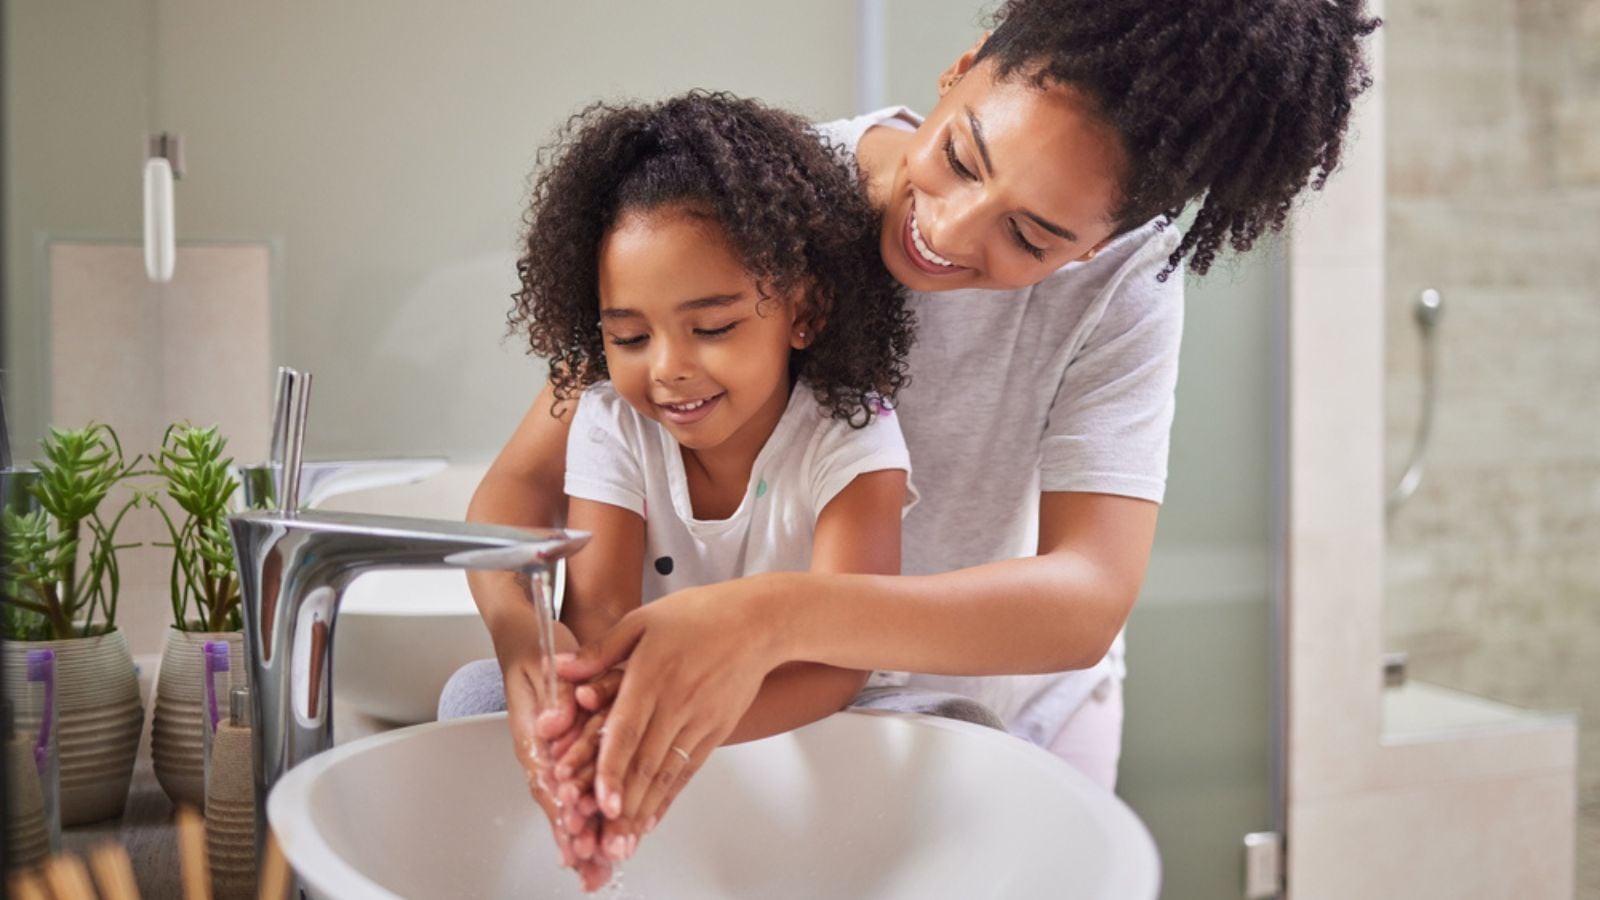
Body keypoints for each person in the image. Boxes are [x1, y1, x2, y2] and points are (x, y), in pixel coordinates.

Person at [459, 0, 1380, 882]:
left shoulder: (1121, 290)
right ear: (963, 67)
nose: (944, 230)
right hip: (767, 706)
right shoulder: (761, 202)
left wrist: (774, 613)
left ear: (1099, 245)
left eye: (1030, 236)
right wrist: (521, 645)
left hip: (1001, 716)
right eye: (962, 157)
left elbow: (1088, 597)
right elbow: (523, 484)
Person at [444, 92, 920, 888]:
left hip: (813, 708)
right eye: (629, 337)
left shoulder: (853, 433)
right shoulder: (612, 421)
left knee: (959, 728)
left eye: (712, 328)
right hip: (646, 694)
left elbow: (842, 663)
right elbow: (597, 616)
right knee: (473, 697)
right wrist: (595, 741)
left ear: (802, 310)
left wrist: (675, 733)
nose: (667, 367)